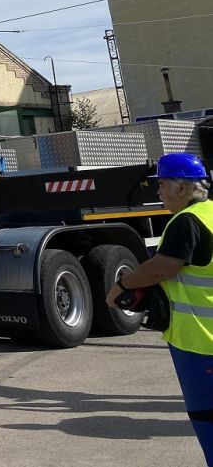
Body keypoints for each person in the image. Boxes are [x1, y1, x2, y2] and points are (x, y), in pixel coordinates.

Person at [107, 152, 213, 465]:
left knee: (207, 420)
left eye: (163, 184)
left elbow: (163, 267)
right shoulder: (210, 213)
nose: (158, 191)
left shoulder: (186, 221)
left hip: (199, 342)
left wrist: (122, 285)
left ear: (182, 187)